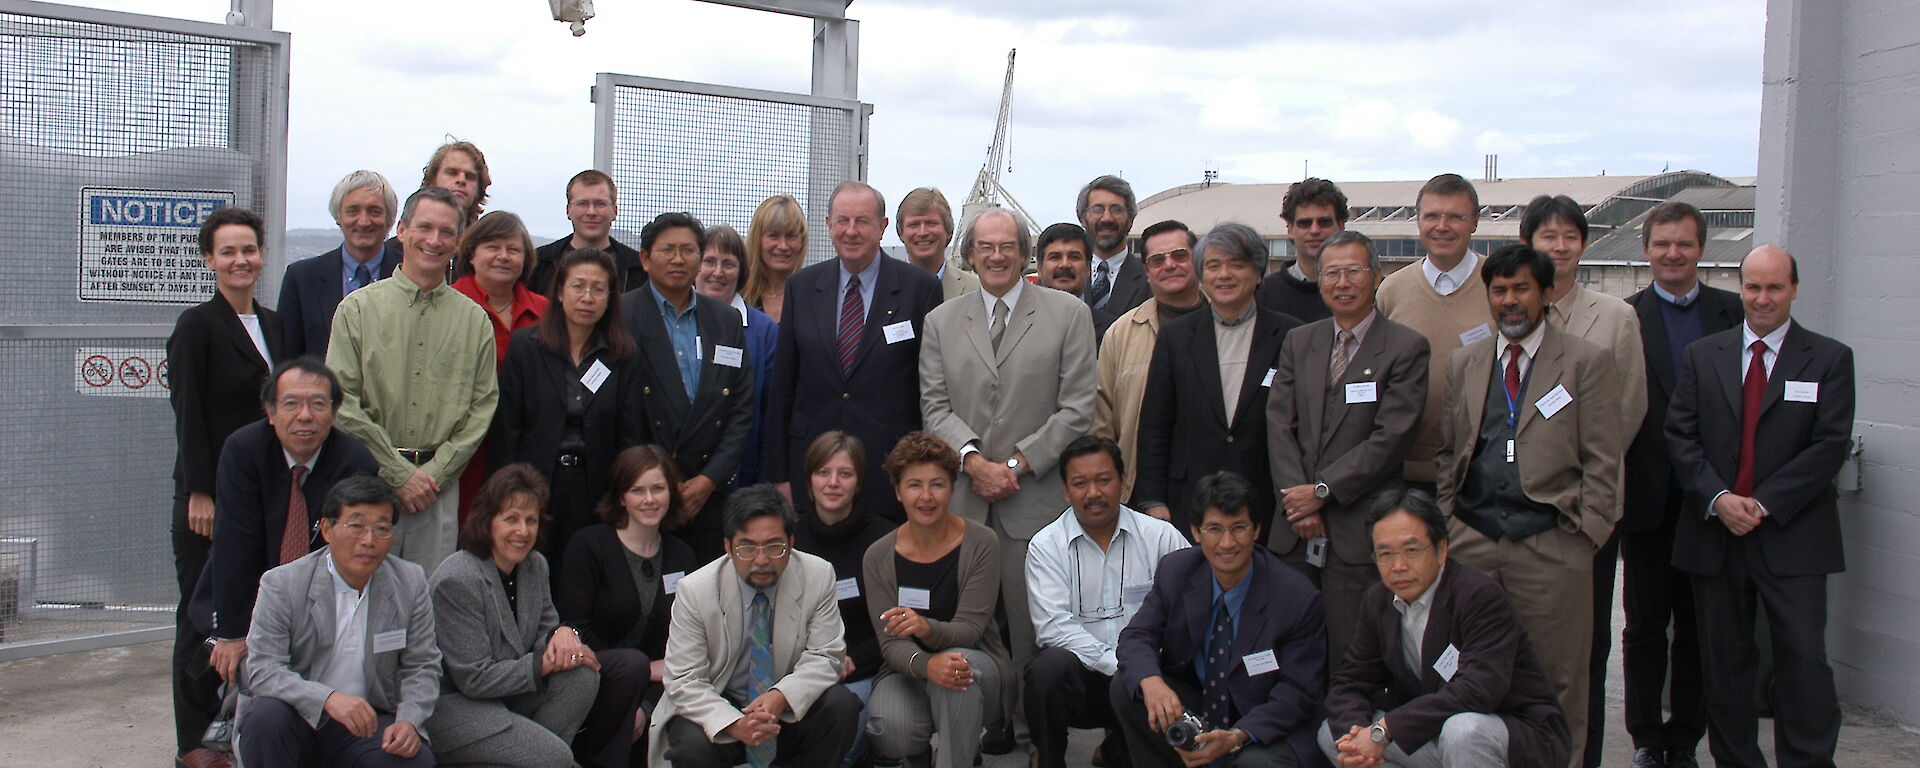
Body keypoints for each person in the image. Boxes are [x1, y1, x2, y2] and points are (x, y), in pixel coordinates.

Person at [1433, 244, 1624, 767]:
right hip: (1473, 540)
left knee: (1559, 679)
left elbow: (1604, 460)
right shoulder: (1466, 362)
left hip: (1552, 544)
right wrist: (1449, 521)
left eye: (1521, 289)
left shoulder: (1587, 362)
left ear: (1545, 295)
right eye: (1499, 290)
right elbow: (1451, 451)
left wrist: (1586, 534)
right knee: (1468, 670)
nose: (1510, 301)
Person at [1665, 245, 1854, 768]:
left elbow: (1829, 446)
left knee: (1803, 663)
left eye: (1774, 288)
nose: (1762, 299)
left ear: (1794, 289)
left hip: (1794, 537)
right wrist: (1720, 499)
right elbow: (1680, 436)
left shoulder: (1830, 359)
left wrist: (1765, 503)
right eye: (1753, 287)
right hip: (1717, 536)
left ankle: (1808, 759)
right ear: (1740, 287)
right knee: (1724, 666)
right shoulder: (1705, 356)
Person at [921, 205, 1099, 737]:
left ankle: (1029, 728)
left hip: (1034, 499)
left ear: (1025, 254)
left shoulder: (1068, 314)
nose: (996, 256)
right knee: (966, 620)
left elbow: (1077, 408)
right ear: (969, 255)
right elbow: (934, 407)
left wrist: (1016, 464)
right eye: (986, 247)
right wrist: (974, 462)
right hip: (965, 497)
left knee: (1031, 624)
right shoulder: (942, 320)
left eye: (1008, 246)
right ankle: (976, 720)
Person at [1520, 193, 1648, 768]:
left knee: (1585, 646)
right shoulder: (1509, 308)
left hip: (1585, 506)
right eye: (1549, 236)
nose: (1560, 246)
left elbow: (1628, 406)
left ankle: (1581, 756)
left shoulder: (1616, 317)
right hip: (1518, 503)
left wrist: (1580, 479)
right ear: (1530, 243)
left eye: (1570, 236)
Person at [1266, 230, 1430, 658]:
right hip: (1293, 528)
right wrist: (1295, 500)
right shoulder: (1300, 342)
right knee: (1289, 650)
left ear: (1377, 276)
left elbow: (1390, 438)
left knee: (1351, 652)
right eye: (1332, 273)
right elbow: (1279, 424)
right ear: (1319, 281)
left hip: (1357, 527)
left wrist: (1322, 492)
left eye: (1353, 272)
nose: (1342, 283)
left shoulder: (1405, 347)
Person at [1319, 490, 1570, 768]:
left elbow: (1478, 690)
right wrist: (1356, 734)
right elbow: (1351, 680)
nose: (1398, 566)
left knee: (1462, 731)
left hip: (1508, 732)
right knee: (1332, 736)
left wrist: (1385, 729)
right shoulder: (1378, 600)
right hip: (1432, 731)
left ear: (1441, 550)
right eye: (1385, 554)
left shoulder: (1477, 595)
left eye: (1412, 551)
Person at [1618, 202, 1738, 768]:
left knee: (1698, 627)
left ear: (1701, 249)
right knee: (1645, 627)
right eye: (1662, 244)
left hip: (1710, 498)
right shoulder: (1625, 316)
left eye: (1684, 244)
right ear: (1645, 249)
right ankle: (1645, 736)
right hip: (1646, 498)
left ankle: (1685, 737)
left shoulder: (1734, 314)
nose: (1672, 254)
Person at [425, 465, 644, 767]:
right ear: (487, 521)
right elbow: (474, 679)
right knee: (555, 757)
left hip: (508, 696)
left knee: (581, 674)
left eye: (531, 520)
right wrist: (543, 663)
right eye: (511, 519)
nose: (523, 531)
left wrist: (563, 634)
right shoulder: (458, 579)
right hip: (458, 708)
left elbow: (546, 630)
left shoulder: (534, 565)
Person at [167, 205, 283, 766]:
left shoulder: (275, 324)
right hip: (209, 498)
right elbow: (187, 411)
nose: (241, 260)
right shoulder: (198, 325)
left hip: (264, 493)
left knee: (251, 614)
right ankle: (195, 744)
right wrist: (200, 491)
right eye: (229, 251)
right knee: (201, 620)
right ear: (209, 259)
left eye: (250, 249)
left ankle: (237, 729)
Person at [328, 186, 498, 569]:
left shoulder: (474, 321)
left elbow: (482, 407)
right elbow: (342, 401)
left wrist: (433, 475)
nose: (434, 240)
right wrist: (397, 471)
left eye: (446, 232)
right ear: (402, 230)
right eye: (424, 227)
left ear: (457, 242)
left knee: (428, 606)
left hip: (437, 490)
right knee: (362, 598)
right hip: (368, 480)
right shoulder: (356, 310)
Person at [1111, 471, 1329, 768]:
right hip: (1202, 705)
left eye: (1238, 528)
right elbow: (1136, 636)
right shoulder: (1177, 570)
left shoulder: (1297, 597)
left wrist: (1239, 735)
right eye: (1215, 529)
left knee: (1255, 764)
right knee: (1129, 685)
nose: (1227, 543)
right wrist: (1152, 683)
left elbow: (1298, 693)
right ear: (1196, 532)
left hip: (1264, 719)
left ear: (1256, 530)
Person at [199, 358, 382, 702]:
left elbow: (352, 553)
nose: (305, 416)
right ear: (270, 412)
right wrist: (233, 632)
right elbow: (235, 543)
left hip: (325, 595)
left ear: (334, 411)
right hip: (249, 584)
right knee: (209, 646)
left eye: (317, 404)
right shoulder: (244, 450)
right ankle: (200, 742)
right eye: (291, 404)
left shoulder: (355, 461)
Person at [648, 485, 863, 768]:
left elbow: (827, 655)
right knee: (690, 744)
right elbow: (684, 679)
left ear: (791, 542)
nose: (761, 560)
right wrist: (734, 723)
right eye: (747, 547)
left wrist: (781, 696)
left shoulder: (818, 575)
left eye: (774, 546)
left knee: (841, 705)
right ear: (728, 547)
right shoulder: (696, 590)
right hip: (719, 706)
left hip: (785, 706)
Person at [765, 181, 942, 524]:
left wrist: (922, 475)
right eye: (842, 221)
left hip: (890, 468)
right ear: (828, 225)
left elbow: (930, 388)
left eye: (862, 221)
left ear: (882, 227)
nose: (851, 231)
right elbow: (783, 386)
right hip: (813, 468)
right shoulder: (802, 287)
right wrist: (779, 475)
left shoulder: (919, 289)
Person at [238, 476, 440, 768]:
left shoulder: (410, 582)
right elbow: (263, 670)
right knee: (266, 718)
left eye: (381, 529)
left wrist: (409, 721)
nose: (368, 540)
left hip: (369, 722)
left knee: (414, 760)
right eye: (355, 526)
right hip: (299, 716)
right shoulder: (283, 583)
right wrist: (327, 698)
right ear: (328, 529)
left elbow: (422, 665)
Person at [1024, 435, 1188, 768]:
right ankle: (1049, 759)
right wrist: (1124, 667)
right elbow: (1053, 628)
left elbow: (1191, 605)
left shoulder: (1161, 536)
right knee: (1046, 671)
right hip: (1089, 678)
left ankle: (1117, 747)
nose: (1094, 493)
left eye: (1104, 480)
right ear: (1066, 491)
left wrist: (1144, 672)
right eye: (1080, 483)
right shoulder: (1046, 545)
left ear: (1123, 483)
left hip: (1149, 681)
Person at [1136, 222, 1300, 535]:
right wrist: (1153, 498)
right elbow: (1156, 424)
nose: (1224, 275)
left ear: (1258, 273)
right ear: (1202, 275)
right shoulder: (1177, 337)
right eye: (1213, 266)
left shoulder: (1290, 335)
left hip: (1266, 497)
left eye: (1236, 265)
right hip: (1190, 499)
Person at [861, 433, 1014, 768]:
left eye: (937, 485)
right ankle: (918, 756)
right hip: (907, 667)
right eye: (915, 485)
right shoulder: (877, 556)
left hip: (976, 665)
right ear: (898, 491)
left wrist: (924, 627)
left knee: (956, 670)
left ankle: (957, 757)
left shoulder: (982, 542)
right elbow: (890, 643)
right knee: (890, 726)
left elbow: (971, 630)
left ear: (953, 488)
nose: (926, 497)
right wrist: (926, 664)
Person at [495, 248, 642, 571]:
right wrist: (509, 493)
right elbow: (508, 429)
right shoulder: (525, 347)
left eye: (598, 288)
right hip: (533, 486)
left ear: (610, 297)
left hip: (597, 490)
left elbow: (630, 435)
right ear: (560, 291)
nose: (587, 297)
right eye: (578, 286)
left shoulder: (622, 354)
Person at [620, 212, 755, 559]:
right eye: (668, 250)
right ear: (646, 259)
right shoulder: (621, 315)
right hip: (643, 492)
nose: (679, 259)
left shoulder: (725, 319)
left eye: (689, 250)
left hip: (710, 491)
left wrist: (709, 479)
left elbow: (741, 406)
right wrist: (656, 481)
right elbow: (617, 410)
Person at [556, 445, 702, 755]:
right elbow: (576, 629)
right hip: (592, 681)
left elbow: (684, 645)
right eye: (638, 490)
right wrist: (644, 671)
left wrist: (646, 705)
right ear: (622, 496)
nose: (649, 500)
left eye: (658, 489)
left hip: (660, 693)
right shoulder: (589, 546)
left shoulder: (682, 556)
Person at [1378, 174, 1490, 492]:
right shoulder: (1391, 291)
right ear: (1418, 221)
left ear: (1475, 222)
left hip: (1478, 470)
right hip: (1401, 471)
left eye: (1455, 216)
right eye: (1432, 216)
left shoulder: (1499, 287)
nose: (1442, 226)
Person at [791, 431, 893, 766]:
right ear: (809, 481)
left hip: (861, 668)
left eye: (845, 474)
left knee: (842, 749)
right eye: (823, 473)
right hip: (799, 668)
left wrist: (849, 660)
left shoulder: (883, 540)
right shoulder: (788, 538)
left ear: (859, 482)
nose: (833, 483)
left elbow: (894, 623)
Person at [1095, 220, 1206, 499]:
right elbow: (1102, 421)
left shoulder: (1225, 324)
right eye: (1158, 259)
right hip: (1139, 490)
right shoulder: (1121, 333)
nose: (1169, 265)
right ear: (1146, 271)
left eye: (1180, 256)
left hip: (1212, 490)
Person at [451, 210, 550, 525]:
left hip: (528, 446)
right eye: (493, 247)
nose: (503, 257)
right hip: (465, 449)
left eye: (513, 249)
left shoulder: (545, 311)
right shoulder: (450, 304)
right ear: (472, 252)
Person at [279, 170, 402, 359]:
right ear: (338, 217)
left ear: (390, 219)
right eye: (353, 210)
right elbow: (287, 358)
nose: (363, 221)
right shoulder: (301, 279)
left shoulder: (409, 275)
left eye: (374, 211)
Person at [696, 224, 779, 487]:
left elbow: (772, 413)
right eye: (709, 261)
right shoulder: (672, 323)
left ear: (742, 270)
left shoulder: (764, 331)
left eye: (728, 263)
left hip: (744, 476)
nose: (718, 272)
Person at [531, 169, 647, 295]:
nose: (591, 212)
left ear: (615, 211)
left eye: (600, 204)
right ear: (568, 210)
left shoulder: (640, 269)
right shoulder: (537, 265)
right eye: (582, 204)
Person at [1256, 178, 1346, 324]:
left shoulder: (1362, 291)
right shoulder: (1263, 293)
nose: (1315, 230)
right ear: (1290, 229)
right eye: (1305, 223)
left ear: (1341, 226)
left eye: (1324, 222)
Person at [1077, 175, 1150, 314]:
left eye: (1116, 209)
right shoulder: (1062, 277)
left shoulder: (1150, 280)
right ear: (1082, 219)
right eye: (1097, 209)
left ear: (1130, 220)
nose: (1107, 218)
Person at [1036, 221, 1118, 341]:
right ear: (1040, 268)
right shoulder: (1016, 323)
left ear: (1087, 268)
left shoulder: (1113, 331)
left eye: (1074, 257)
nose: (1064, 265)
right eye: (1055, 257)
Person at [895, 186, 980, 301]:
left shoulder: (976, 291)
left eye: (931, 224)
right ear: (901, 233)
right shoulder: (880, 288)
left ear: (949, 232)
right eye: (914, 225)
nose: (922, 232)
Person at [740, 194, 808, 323]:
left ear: (802, 241)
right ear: (757, 240)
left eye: (791, 236)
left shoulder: (813, 298)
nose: (783, 246)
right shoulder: (738, 295)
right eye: (774, 236)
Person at [421, 139, 490, 228]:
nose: (461, 180)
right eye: (452, 173)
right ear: (432, 180)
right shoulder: (406, 238)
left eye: (469, 176)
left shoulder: (485, 240)